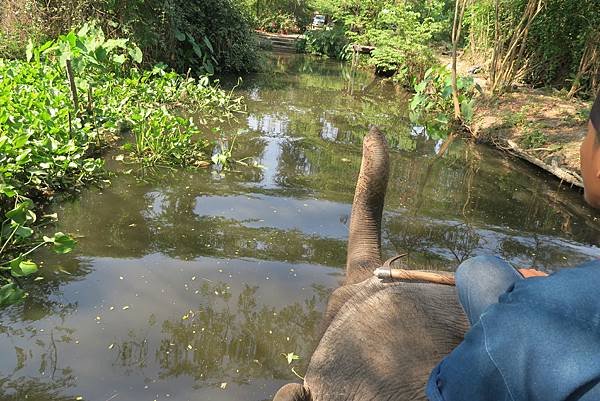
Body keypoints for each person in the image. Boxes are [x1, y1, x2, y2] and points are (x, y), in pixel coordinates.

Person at [426, 92, 600, 401]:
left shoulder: (530, 319)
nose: (582, 147)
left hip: (533, 332)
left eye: (587, 135)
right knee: (479, 272)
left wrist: (547, 302)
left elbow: (446, 388)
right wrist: (559, 292)